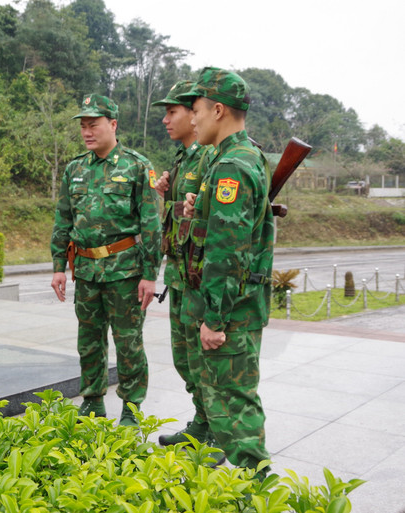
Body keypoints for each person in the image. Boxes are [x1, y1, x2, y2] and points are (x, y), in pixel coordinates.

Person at [175, 67, 274, 473]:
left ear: (218, 110)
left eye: (195, 109)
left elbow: (227, 252)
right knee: (223, 403)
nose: (192, 117)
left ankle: (262, 488)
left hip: (230, 312)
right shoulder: (234, 157)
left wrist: (214, 318)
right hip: (232, 305)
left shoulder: (233, 165)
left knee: (235, 409)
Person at [50, 94, 162, 427]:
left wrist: (150, 274)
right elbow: (63, 220)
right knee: (89, 340)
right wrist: (58, 266)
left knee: (128, 341)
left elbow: (151, 224)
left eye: (93, 124)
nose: (87, 132)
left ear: (113, 124)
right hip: (85, 271)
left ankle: (132, 406)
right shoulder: (75, 169)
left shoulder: (137, 166)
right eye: (83, 126)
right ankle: (93, 400)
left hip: (125, 271)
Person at [150, 81, 218, 451]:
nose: (165, 120)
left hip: (201, 280)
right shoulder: (184, 158)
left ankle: (216, 433)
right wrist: (168, 190)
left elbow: (213, 218)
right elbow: (183, 220)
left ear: (194, 116)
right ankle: (201, 423)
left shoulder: (210, 157)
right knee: (186, 360)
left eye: (172, 112)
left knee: (206, 363)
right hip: (179, 276)